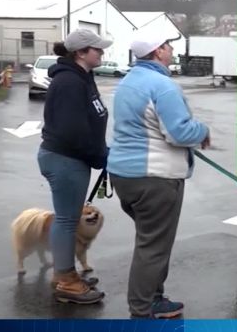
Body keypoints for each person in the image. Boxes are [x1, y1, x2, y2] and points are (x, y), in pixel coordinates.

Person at [107, 30, 210, 319]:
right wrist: (203, 130)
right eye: (167, 46)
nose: (171, 50)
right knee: (152, 247)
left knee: (152, 240)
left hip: (124, 176)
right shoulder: (162, 85)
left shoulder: (128, 81)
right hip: (155, 178)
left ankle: (155, 298)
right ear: (157, 52)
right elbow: (178, 132)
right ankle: (142, 312)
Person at [37, 28, 111, 304]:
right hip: (65, 159)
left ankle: (64, 273)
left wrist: (100, 152)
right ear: (81, 53)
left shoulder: (82, 77)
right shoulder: (69, 82)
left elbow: (88, 123)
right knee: (67, 220)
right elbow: (73, 132)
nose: (102, 52)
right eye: (97, 49)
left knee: (66, 219)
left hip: (74, 158)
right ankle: (66, 280)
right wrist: (99, 156)